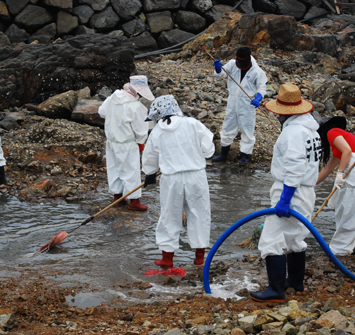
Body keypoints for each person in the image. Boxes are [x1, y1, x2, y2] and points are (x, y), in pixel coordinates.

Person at [250, 83, 321, 302]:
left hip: (292, 189)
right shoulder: (310, 130)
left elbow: (295, 167)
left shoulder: (293, 132)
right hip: (307, 191)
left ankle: (276, 290)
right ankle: (296, 282)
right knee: (295, 237)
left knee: (271, 240)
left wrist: (285, 199)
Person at [142, 95, 215, 268]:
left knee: (169, 215)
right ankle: (199, 259)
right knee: (199, 214)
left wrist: (150, 174)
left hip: (171, 178)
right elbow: (208, 149)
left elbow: (150, 156)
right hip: (196, 176)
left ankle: (167, 259)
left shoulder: (157, 131)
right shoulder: (192, 123)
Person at [316, 116, 355, 256]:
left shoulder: (332, 132)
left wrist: (340, 174)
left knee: (349, 212)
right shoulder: (346, 138)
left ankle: (340, 251)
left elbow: (348, 152)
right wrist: (309, 185)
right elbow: (327, 169)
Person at [98, 75, 154, 211]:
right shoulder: (136, 107)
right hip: (127, 143)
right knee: (131, 171)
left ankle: (118, 198)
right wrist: (141, 143)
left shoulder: (113, 97)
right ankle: (134, 201)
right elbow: (140, 129)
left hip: (111, 141)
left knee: (114, 168)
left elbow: (101, 112)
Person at [212, 46, 268, 166]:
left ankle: (245, 156)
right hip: (233, 101)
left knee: (247, 129)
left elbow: (262, 87)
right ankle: (223, 154)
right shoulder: (232, 64)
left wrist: (258, 98)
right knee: (228, 126)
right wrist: (217, 69)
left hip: (247, 104)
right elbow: (221, 74)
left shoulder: (257, 71)